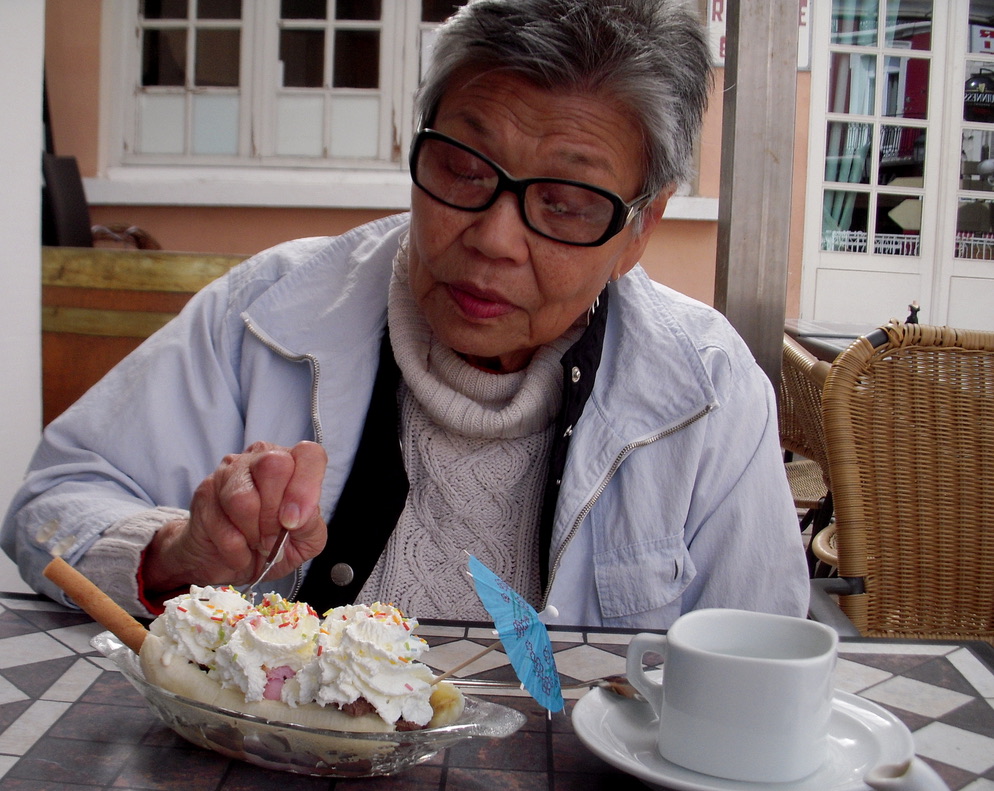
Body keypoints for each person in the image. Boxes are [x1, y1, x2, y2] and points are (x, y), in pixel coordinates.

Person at [2, 0, 809, 628]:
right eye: (462, 167)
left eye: (565, 202)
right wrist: (178, 554)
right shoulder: (267, 309)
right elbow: (52, 501)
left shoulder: (707, 391)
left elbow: (756, 661)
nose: (493, 238)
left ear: (640, 229)